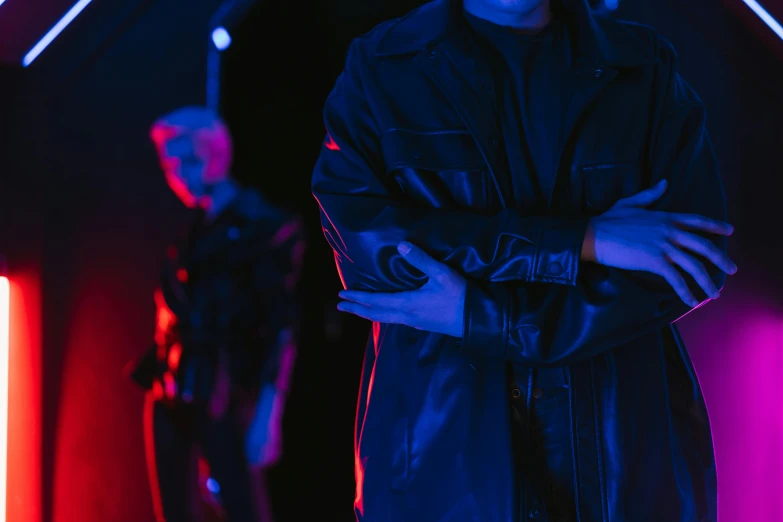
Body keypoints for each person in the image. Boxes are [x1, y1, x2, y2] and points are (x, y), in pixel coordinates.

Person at [311, 0, 737, 520]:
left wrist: (482, 315)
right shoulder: (383, 66)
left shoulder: (643, 67)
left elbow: (695, 260)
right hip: (444, 460)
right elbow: (376, 254)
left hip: (621, 453)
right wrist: (584, 240)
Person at [129, 106, 304, 521]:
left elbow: (282, 324)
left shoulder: (264, 226)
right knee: (175, 510)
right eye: (169, 165)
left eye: (187, 160)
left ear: (217, 153)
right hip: (171, 388)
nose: (177, 175)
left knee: (241, 507)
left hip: (225, 391)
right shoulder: (186, 229)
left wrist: (268, 412)